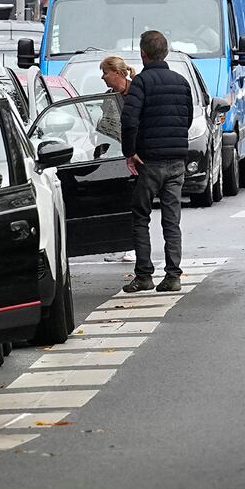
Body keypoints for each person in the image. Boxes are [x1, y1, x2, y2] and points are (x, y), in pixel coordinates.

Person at [120, 31, 193, 293]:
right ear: (166, 52)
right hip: (176, 162)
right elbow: (187, 117)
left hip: (149, 161)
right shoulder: (181, 82)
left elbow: (129, 120)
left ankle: (144, 275)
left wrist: (130, 151)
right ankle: (173, 276)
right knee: (172, 220)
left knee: (141, 216)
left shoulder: (141, 83)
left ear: (143, 54)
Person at [98, 55, 136, 263]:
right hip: (113, 153)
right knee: (115, 201)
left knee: (133, 202)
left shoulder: (135, 91)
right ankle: (118, 244)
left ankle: (133, 246)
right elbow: (105, 124)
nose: (103, 77)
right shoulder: (108, 96)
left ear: (118, 73)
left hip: (133, 153)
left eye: (105, 72)